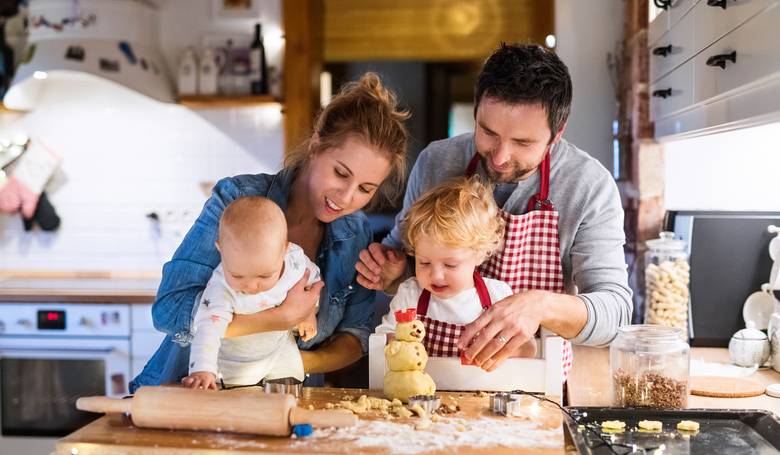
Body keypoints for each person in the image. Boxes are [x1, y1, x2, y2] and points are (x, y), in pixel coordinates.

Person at [357, 43, 632, 378]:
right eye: (488, 133)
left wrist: (538, 305)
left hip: (528, 383)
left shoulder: (588, 186)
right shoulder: (436, 162)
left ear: (556, 134)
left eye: (523, 143)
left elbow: (615, 313)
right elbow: (406, 257)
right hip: (435, 377)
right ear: (476, 111)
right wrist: (391, 270)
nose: (500, 157)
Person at [130, 72, 409, 392]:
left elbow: (355, 337)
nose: (346, 198)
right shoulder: (237, 200)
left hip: (286, 401)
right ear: (317, 144)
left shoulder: (355, 232)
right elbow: (169, 310)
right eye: (340, 173)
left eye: (365, 188)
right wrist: (280, 318)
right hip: (189, 397)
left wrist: (282, 365)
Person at [375, 176, 536, 360]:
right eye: (424, 262)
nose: (436, 275)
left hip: (483, 386)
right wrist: (397, 343)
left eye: (450, 265)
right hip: (422, 388)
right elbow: (383, 337)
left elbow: (526, 350)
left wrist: (504, 349)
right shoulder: (410, 294)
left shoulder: (497, 296)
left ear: (480, 254)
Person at [182, 196, 320, 390]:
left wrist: (308, 313)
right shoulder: (221, 287)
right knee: (240, 407)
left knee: (289, 395)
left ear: (285, 251)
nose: (251, 286)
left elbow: (313, 282)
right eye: (237, 275)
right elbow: (207, 329)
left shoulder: (295, 262)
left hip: (280, 352)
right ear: (221, 251)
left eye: (264, 275)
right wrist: (203, 369)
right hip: (237, 365)